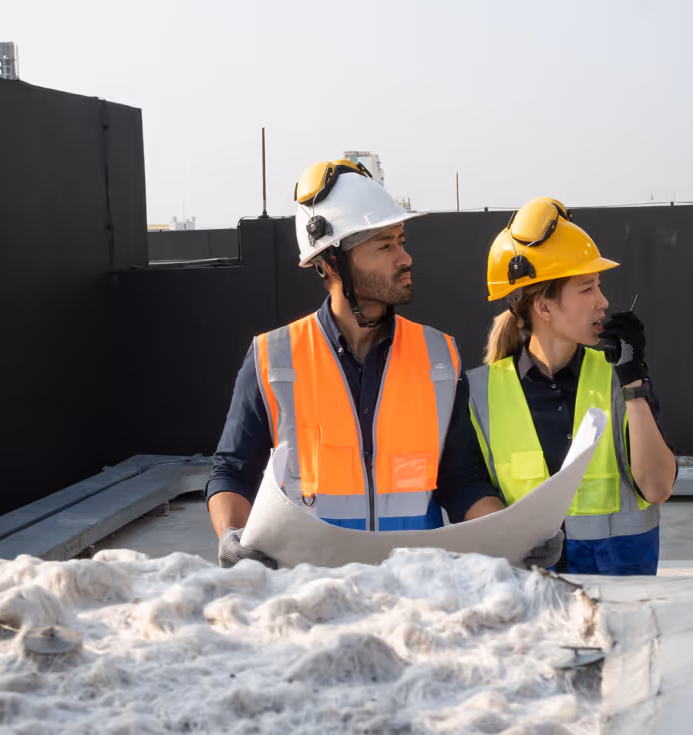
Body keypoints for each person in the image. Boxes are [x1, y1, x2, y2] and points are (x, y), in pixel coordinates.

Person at [207, 161, 562, 570]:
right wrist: (231, 534)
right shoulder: (273, 357)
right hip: (312, 592)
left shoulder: (439, 357)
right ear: (332, 261)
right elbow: (232, 471)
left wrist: (514, 536)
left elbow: (462, 482)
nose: (405, 257)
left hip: (412, 592)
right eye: (385, 245)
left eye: (402, 241)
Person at [467, 197, 677, 576]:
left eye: (599, 286)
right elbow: (469, 490)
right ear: (543, 308)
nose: (603, 302)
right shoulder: (480, 392)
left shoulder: (620, 377)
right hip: (531, 607)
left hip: (621, 604)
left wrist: (634, 380)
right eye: (587, 288)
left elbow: (658, 486)